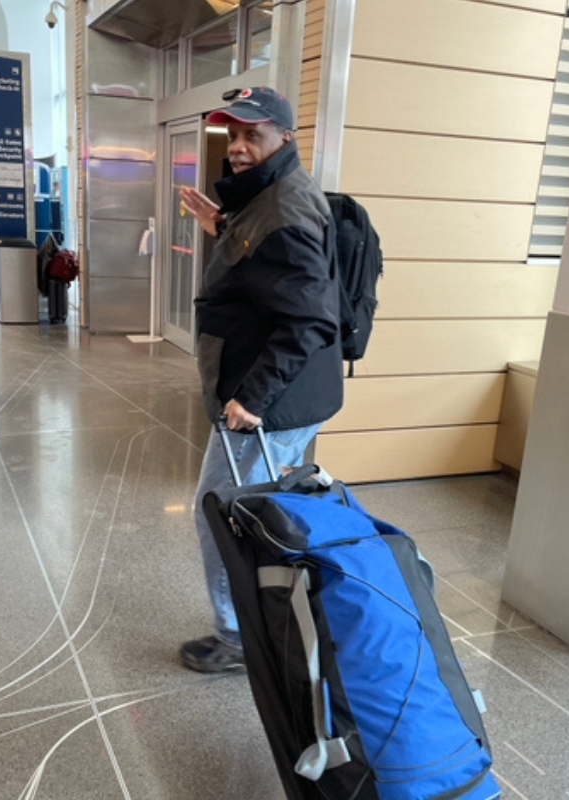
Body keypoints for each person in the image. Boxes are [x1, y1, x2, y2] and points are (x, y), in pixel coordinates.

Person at [178, 87, 344, 673]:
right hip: (293, 396)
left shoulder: (286, 211)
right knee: (260, 509)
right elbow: (265, 265)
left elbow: (308, 318)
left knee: (219, 510)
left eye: (254, 135)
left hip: (268, 402)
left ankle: (237, 639)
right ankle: (274, 616)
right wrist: (221, 223)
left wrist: (252, 397)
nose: (240, 147)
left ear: (284, 137)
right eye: (233, 135)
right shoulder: (271, 195)